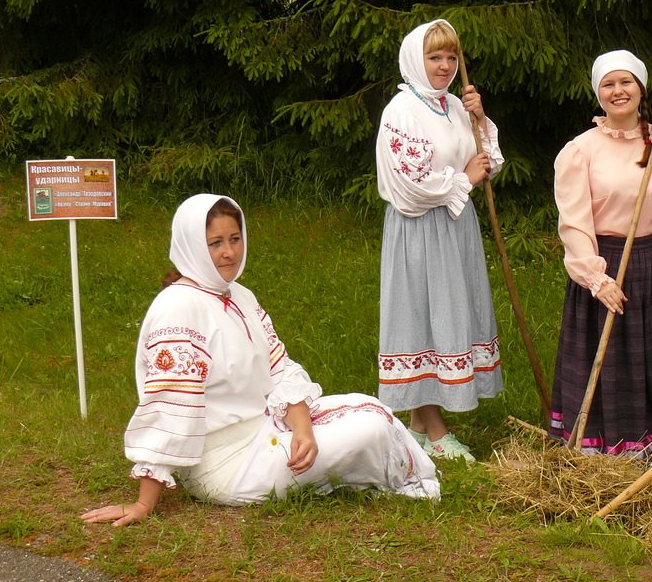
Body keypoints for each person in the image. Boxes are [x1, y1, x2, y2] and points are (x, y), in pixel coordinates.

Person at [81, 194, 439, 527]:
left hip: (263, 429)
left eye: (234, 239)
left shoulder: (237, 294)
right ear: (191, 246)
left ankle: (378, 471)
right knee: (370, 429)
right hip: (224, 466)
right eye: (215, 243)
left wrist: (302, 428)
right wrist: (144, 504)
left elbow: (279, 367)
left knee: (368, 405)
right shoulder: (179, 309)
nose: (228, 253)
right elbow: (170, 407)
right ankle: (393, 477)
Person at [548, 49, 652, 460]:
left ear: (641, 88)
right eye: (608, 83)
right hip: (605, 263)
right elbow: (574, 223)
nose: (617, 90)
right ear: (598, 93)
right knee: (612, 365)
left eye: (626, 82)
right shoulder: (580, 150)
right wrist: (596, 279)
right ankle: (612, 453)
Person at [375, 19, 504, 462]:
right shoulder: (401, 110)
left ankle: (417, 421)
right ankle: (435, 428)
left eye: (452, 57)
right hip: (420, 229)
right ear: (416, 59)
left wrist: (479, 119)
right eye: (435, 57)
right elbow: (410, 185)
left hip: (455, 227)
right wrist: (461, 181)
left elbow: (486, 161)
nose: (446, 66)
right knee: (422, 318)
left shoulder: (453, 105)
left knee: (447, 314)